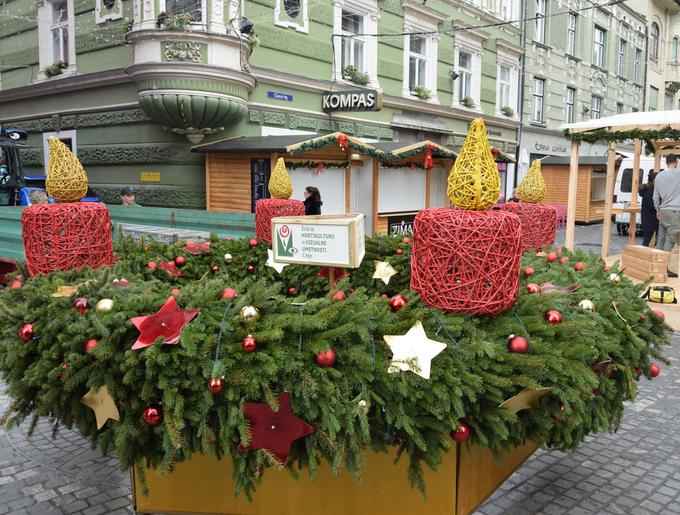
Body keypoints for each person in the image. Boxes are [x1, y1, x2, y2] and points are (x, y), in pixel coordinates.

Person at [653, 154, 680, 276]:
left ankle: (655, 267)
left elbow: (655, 197)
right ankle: (663, 269)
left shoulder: (659, 176)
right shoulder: (678, 173)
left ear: (666, 163)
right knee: (670, 240)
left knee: (660, 240)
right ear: (676, 162)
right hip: (674, 212)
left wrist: (658, 210)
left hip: (662, 211)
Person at [639, 170, 658, 248]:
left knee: (647, 240)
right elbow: (652, 205)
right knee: (647, 241)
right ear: (654, 180)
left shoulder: (648, 189)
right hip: (651, 219)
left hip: (648, 218)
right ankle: (642, 256)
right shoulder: (650, 191)